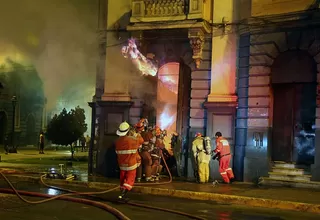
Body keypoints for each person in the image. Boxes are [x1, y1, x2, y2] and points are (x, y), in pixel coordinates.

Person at [115, 121, 144, 200]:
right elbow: (141, 141)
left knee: (122, 179)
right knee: (129, 180)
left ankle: (122, 191)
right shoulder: (132, 140)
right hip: (131, 164)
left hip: (121, 164)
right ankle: (122, 195)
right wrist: (136, 134)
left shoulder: (117, 141)